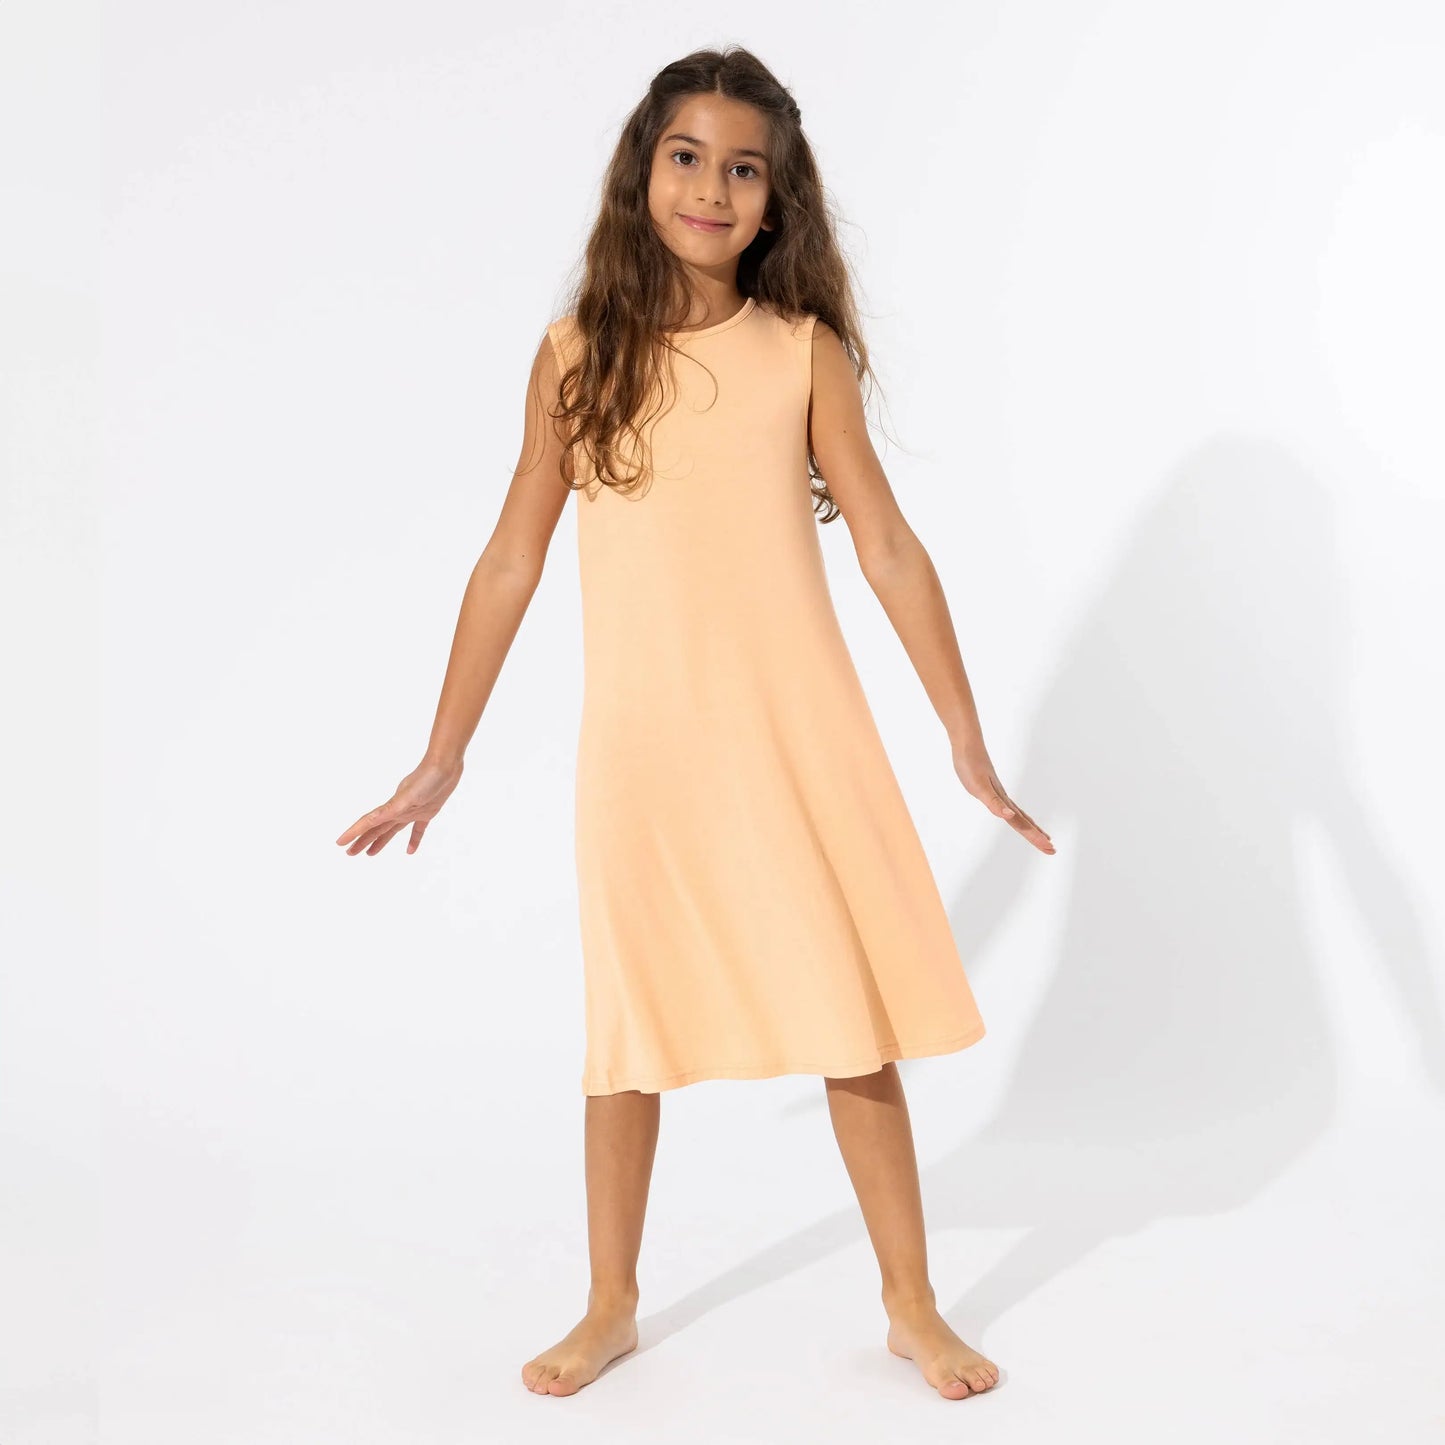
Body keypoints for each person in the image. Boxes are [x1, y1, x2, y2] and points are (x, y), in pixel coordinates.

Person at [336, 45, 1055, 1402]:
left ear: (777, 201)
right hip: (645, 751)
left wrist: (962, 735)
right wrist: (444, 752)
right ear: (642, 170)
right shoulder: (576, 357)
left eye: (744, 169)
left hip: (795, 737)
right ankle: (610, 1300)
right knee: (628, 1024)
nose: (712, 188)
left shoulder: (799, 352)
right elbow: (510, 558)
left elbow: (888, 547)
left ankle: (910, 1302)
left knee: (848, 1021)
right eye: (687, 157)